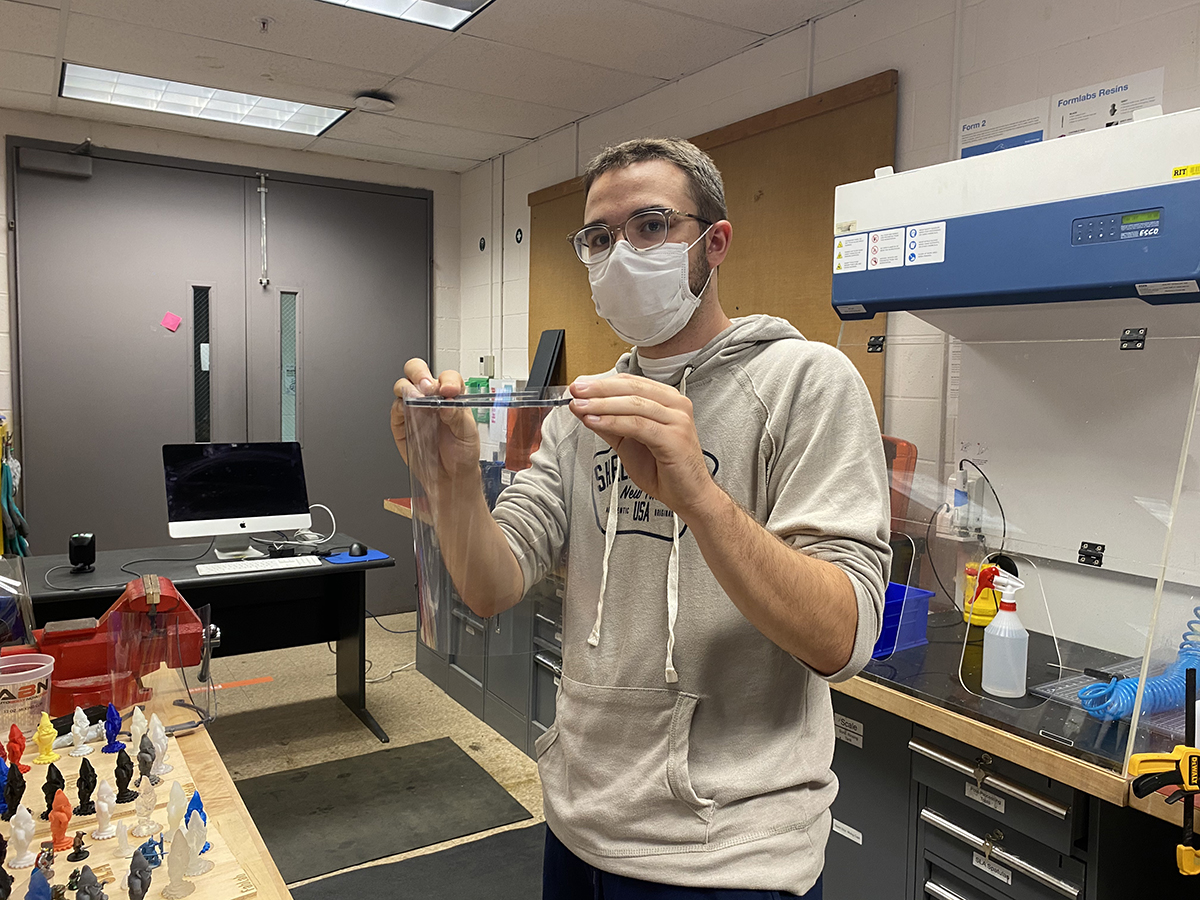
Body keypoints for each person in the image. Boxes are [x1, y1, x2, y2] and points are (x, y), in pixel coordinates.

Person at [392, 137, 891, 898]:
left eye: (651, 226)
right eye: (599, 237)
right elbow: (493, 585)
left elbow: (844, 636)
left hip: (730, 855)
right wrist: (454, 481)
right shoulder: (584, 408)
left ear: (713, 243)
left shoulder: (806, 381)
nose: (621, 252)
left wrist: (696, 491)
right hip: (579, 823)